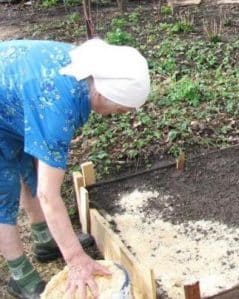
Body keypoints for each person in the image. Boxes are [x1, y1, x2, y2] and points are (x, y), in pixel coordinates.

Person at [0, 38, 150, 299]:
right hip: (8, 103)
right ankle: (19, 274)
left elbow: (41, 156)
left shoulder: (87, 69)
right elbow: (48, 194)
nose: (121, 114)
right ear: (104, 94)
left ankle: (44, 239)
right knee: (4, 190)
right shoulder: (60, 104)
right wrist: (76, 259)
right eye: (121, 109)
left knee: (30, 166)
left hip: (12, 100)